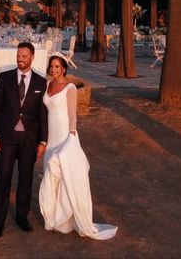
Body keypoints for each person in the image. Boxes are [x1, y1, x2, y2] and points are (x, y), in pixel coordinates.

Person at [39, 54, 118, 240]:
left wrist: (71, 138)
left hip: (65, 137)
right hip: (51, 137)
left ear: (64, 68)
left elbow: (73, 115)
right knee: (52, 176)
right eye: (52, 66)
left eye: (57, 67)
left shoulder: (70, 88)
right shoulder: (48, 85)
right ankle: (54, 219)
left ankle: (66, 218)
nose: (54, 70)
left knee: (66, 176)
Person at [0, 42, 48, 238]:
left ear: (32, 57)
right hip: (6, 138)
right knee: (4, 177)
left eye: (24, 55)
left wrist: (43, 142)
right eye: (18, 55)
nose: (20, 58)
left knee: (26, 179)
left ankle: (22, 216)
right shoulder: (5, 78)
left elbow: (42, 115)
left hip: (29, 140)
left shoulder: (41, 82)